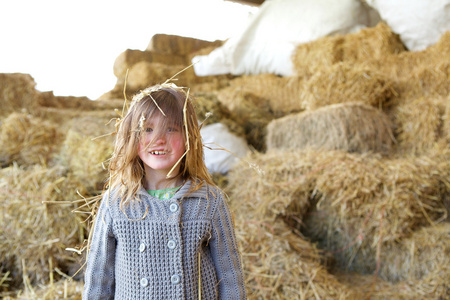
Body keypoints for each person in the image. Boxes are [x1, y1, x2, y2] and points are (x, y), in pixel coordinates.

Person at [83, 83, 246, 299]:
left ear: (189, 137)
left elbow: (230, 276)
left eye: (171, 128)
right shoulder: (117, 202)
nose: (159, 139)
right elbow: (98, 278)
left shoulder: (208, 201)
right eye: (148, 129)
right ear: (132, 137)